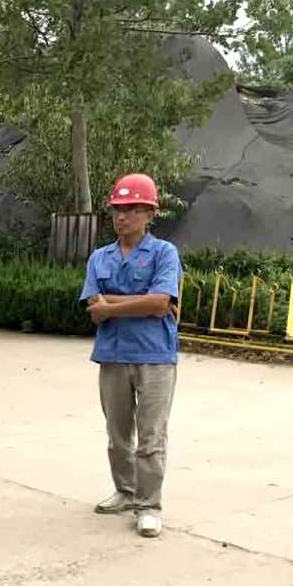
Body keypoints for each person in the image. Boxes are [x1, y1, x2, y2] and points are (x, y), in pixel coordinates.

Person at [79, 173, 181, 539]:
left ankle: (148, 505)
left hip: (155, 356)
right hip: (113, 355)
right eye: (118, 210)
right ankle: (125, 490)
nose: (122, 217)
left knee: (151, 437)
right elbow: (94, 307)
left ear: (150, 213)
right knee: (118, 434)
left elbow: (161, 302)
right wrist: (141, 303)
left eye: (133, 209)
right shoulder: (99, 257)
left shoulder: (164, 253)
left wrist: (113, 305)